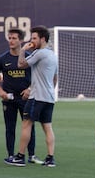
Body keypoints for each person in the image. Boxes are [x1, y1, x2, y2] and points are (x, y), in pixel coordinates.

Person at [0, 28, 43, 165]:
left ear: (21, 40)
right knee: (10, 127)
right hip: (9, 99)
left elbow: (38, 76)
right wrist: (0, 91)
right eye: (10, 38)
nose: (11, 41)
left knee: (30, 126)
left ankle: (32, 155)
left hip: (26, 98)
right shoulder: (3, 58)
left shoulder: (30, 56)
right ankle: (11, 155)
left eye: (14, 38)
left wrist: (30, 89)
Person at [8, 25, 58, 167]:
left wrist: (23, 50)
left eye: (34, 38)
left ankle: (20, 156)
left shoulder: (39, 53)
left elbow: (20, 64)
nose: (31, 40)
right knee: (47, 127)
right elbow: (55, 79)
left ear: (43, 39)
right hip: (49, 98)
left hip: (37, 97)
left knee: (26, 125)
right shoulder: (53, 55)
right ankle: (50, 158)